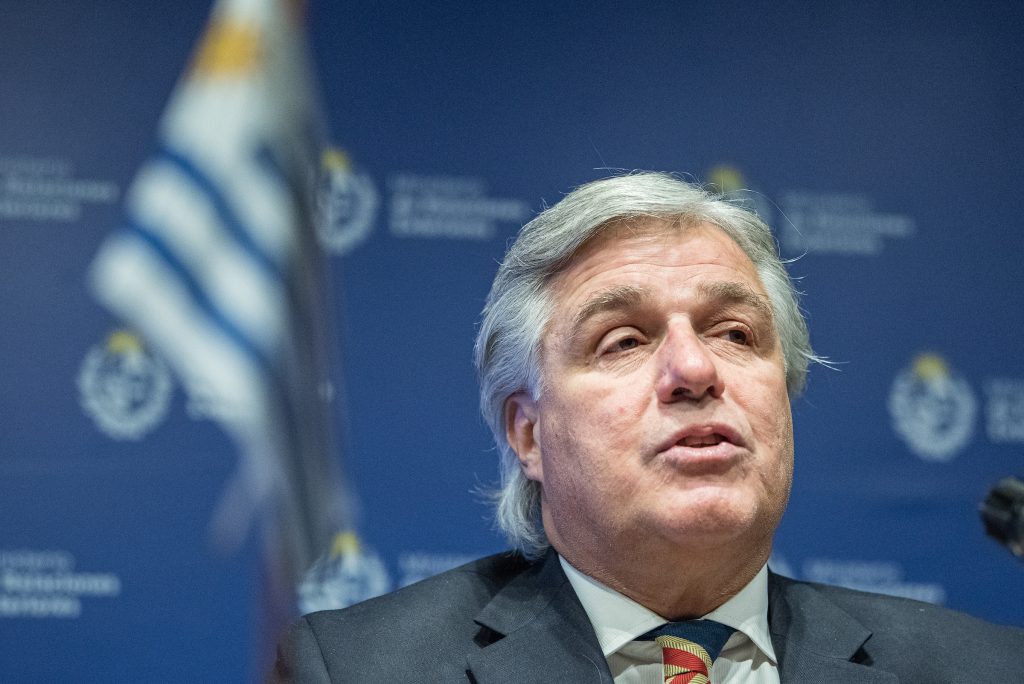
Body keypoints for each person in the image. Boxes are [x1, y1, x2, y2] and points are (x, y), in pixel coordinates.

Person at [271, 173, 1024, 682]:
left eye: (734, 333)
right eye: (623, 341)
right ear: (528, 435)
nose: (695, 369)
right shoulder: (359, 669)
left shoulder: (985, 670)